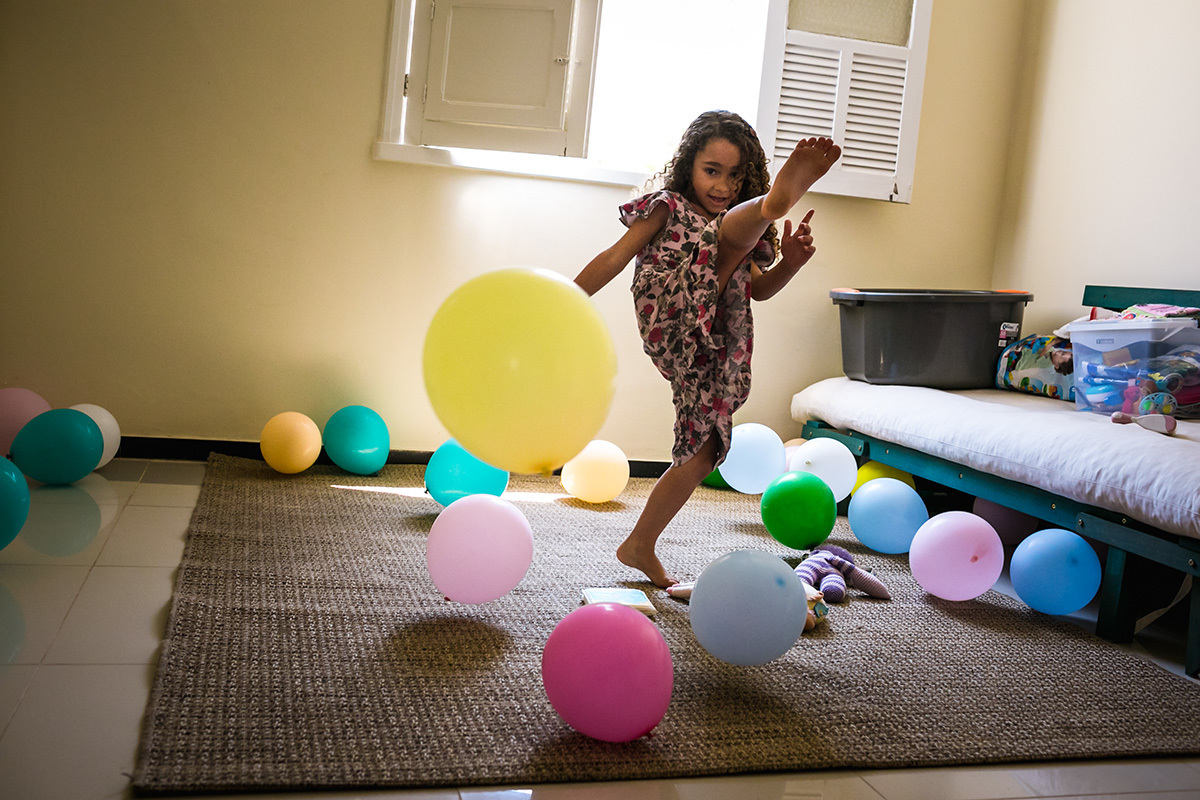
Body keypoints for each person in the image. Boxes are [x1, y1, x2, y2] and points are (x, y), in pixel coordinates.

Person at [573, 110, 841, 587]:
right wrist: (567, 301)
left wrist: (793, 262)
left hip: (710, 341)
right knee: (722, 239)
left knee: (707, 447)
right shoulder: (667, 207)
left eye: (735, 176)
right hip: (670, 307)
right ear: (688, 168)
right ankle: (772, 204)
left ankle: (639, 544)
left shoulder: (741, 235)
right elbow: (616, 257)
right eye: (711, 171)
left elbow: (759, 291)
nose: (721, 185)